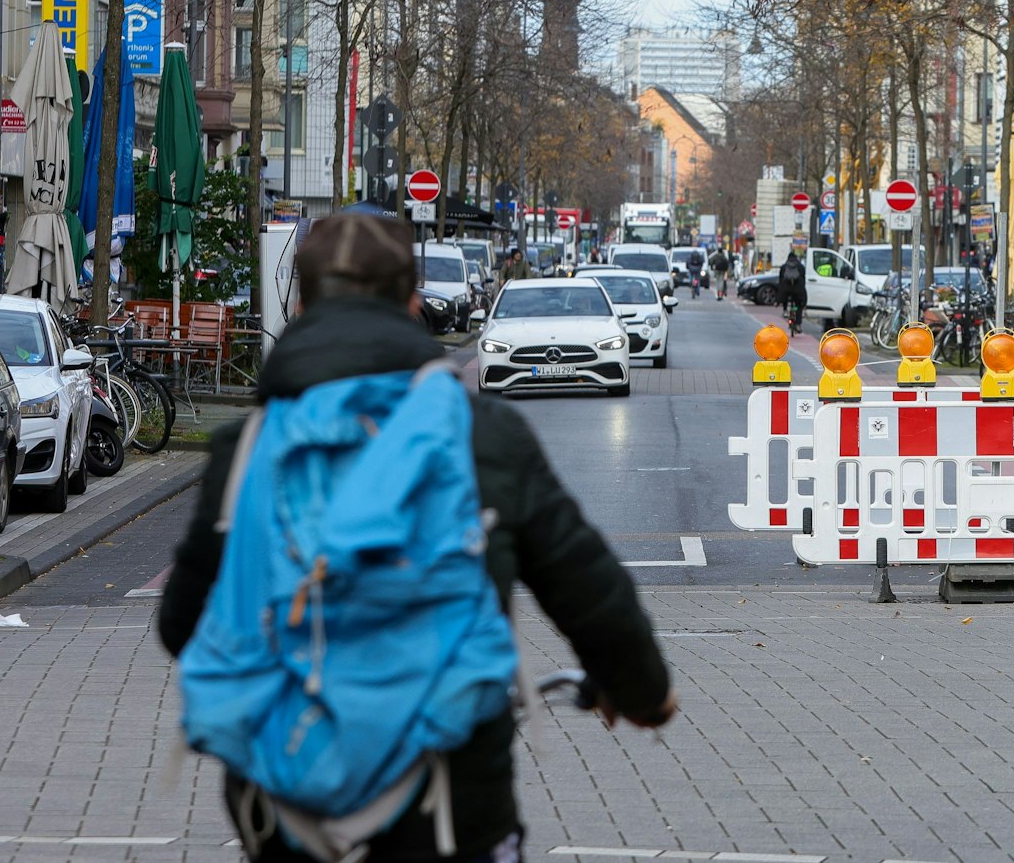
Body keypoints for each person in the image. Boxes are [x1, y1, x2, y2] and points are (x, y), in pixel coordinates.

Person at [158, 214, 675, 863]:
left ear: (301, 306)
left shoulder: (248, 446)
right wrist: (645, 693)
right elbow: (588, 588)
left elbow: (180, 625)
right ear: (411, 302)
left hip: (286, 808)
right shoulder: (481, 433)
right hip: (451, 807)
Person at [778, 250, 808, 334]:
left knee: (784, 295)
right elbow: (803, 279)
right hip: (798, 290)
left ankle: (785, 310)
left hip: (786, 289)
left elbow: (780, 279)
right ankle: (798, 324)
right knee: (798, 305)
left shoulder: (784, 266)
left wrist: (781, 290)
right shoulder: (801, 267)